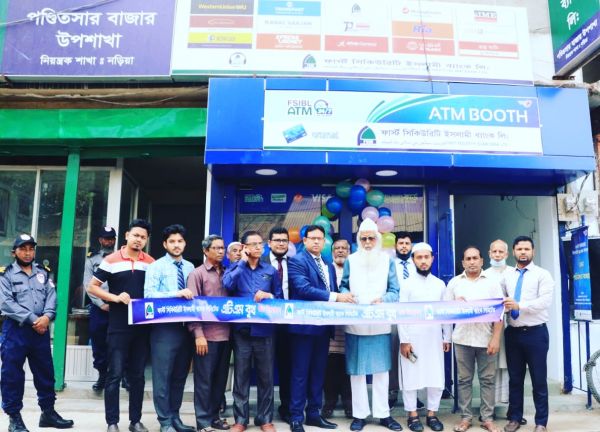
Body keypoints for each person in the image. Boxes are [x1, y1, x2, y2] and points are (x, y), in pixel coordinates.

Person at [0, 234, 74, 432]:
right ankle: (14, 418)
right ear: (14, 252)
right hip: (16, 331)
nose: (27, 253)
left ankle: (48, 413)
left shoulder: (43, 272)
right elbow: (6, 303)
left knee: (45, 372)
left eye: (31, 249)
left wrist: (47, 317)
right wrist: (35, 320)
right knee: (12, 375)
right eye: (23, 249)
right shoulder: (5, 275)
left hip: (40, 330)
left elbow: (52, 296)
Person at [87, 219, 155, 432]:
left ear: (147, 240)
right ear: (126, 235)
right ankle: (112, 422)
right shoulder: (111, 260)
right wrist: (114, 298)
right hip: (118, 326)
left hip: (142, 326)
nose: (138, 240)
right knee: (114, 374)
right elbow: (92, 287)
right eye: (135, 235)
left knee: (137, 376)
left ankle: (135, 421)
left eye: (143, 237)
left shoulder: (151, 262)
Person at [287, 225, 355, 432]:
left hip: (323, 328)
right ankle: (296, 417)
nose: (317, 241)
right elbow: (303, 289)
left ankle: (314, 415)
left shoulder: (327, 263)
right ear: (305, 240)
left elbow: (331, 289)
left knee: (318, 373)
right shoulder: (297, 261)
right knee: (300, 374)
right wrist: (337, 297)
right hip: (304, 328)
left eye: (320, 238)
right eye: (313, 238)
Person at [339, 220, 401, 432]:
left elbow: (395, 291)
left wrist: (384, 299)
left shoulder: (387, 260)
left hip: (379, 323)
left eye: (371, 238)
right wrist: (346, 295)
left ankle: (383, 414)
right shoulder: (351, 260)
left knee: (381, 371)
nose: (367, 242)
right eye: (363, 238)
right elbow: (343, 286)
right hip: (356, 324)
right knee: (356, 372)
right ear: (359, 240)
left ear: (378, 239)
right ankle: (359, 415)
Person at [223, 231, 283, 432]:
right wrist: (241, 262)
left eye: (260, 244)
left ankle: (265, 419)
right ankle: (240, 420)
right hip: (242, 332)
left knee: (266, 377)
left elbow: (280, 297)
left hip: (265, 331)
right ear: (244, 247)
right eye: (254, 244)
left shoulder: (270, 270)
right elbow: (227, 285)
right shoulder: (234, 268)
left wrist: (269, 295)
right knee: (241, 377)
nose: (258, 247)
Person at [143, 224, 196, 432]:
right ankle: (164, 422)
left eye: (180, 241)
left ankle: (175, 417)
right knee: (162, 377)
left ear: (185, 243)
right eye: (172, 241)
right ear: (165, 244)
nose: (176, 245)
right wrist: (175, 294)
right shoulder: (156, 266)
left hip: (185, 328)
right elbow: (149, 295)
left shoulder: (190, 267)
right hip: (164, 328)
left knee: (180, 376)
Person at [446, 247, 503, 432]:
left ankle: (487, 418)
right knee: (464, 380)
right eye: (468, 259)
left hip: (486, 339)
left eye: (475, 258)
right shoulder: (454, 283)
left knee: (487, 380)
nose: (472, 262)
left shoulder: (492, 283)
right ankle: (466, 418)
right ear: (463, 262)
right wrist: (455, 306)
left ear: (481, 261)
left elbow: (499, 313)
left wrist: (496, 338)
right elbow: (445, 312)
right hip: (462, 339)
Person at [501, 236, 554, 432]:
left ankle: (541, 422)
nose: (523, 252)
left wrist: (519, 305)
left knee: (539, 380)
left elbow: (544, 302)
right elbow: (499, 299)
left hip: (536, 334)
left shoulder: (542, 275)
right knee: (515, 379)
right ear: (513, 252)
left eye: (526, 249)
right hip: (513, 334)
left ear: (533, 251)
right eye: (519, 249)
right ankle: (515, 418)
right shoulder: (506, 275)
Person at [397, 242, 451, 432]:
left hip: (434, 338)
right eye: (419, 257)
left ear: (432, 259)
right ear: (413, 260)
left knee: (435, 376)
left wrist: (447, 337)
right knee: (411, 377)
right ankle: (412, 415)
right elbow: (401, 313)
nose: (423, 261)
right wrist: (404, 340)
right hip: (412, 339)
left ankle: (432, 414)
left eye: (426, 257)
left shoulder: (439, 284)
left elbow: (445, 312)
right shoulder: (406, 284)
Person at [187, 235, 231, 432]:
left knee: (220, 381)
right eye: (216, 248)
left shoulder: (228, 272)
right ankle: (203, 422)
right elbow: (192, 307)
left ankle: (215, 417)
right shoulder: (197, 274)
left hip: (227, 335)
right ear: (205, 251)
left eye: (222, 248)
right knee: (204, 381)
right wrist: (198, 334)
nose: (221, 251)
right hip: (207, 336)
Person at [262, 227, 292, 423]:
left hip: (289, 323)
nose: (281, 243)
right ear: (269, 243)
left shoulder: (295, 263)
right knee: (265, 369)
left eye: (284, 240)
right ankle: (265, 412)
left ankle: (286, 408)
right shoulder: (260, 263)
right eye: (277, 240)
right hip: (266, 323)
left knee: (287, 368)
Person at [83, 226, 117, 393]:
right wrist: (101, 303)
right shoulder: (92, 260)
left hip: (118, 306)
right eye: (105, 238)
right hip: (99, 307)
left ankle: (123, 375)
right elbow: (87, 284)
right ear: (100, 240)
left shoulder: (121, 258)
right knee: (98, 341)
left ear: (115, 240)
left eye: (111, 238)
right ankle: (102, 374)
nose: (108, 241)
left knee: (120, 341)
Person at [322, 239, 352, 420]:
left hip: (350, 325)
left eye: (344, 248)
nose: (340, 251)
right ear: (332, 252)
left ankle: (349, 403)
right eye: (337, 248)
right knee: (331, 365)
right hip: (331, 325)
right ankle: (329, 402)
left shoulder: (354, 269)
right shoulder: (326, 269)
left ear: (349, 251)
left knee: (349, 365)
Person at [389, 233, 417, 409]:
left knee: (412, 353)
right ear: (395, 246)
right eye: (401, 243)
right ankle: (392, 393)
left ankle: (413, 392)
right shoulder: (390, 265)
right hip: (394, 314)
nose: (404, 246)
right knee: (393, 354)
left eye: (407, 243)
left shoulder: (418, 264)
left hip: (414, 316)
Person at [483, 239, 511, 408]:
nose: (498, 255)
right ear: (489, 253)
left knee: (509, 365)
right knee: (490, 366)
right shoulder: (484, 274)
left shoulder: (513, 273)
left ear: (506, 254)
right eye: (494, 251)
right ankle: (489, 407)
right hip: (489, 327)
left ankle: (510, 406)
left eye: (501, 252)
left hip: (510, 325)